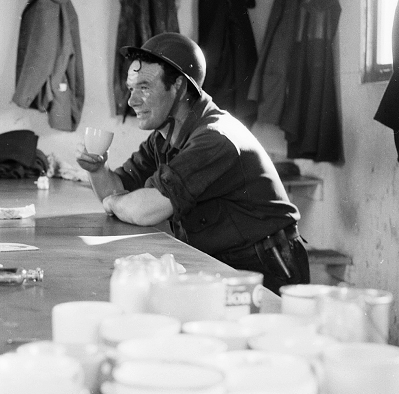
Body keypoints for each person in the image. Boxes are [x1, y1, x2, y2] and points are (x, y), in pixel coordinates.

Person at [76, 33, 309, 295]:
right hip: (224, 262)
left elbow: (144, 210)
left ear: (180, 86)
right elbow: (115, 188)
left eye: (144, 87)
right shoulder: (164, 136)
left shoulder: (214, 139)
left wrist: (114, 202)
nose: (131, 101)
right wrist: (97, 170)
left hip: (265, 266)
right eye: (131, 89)